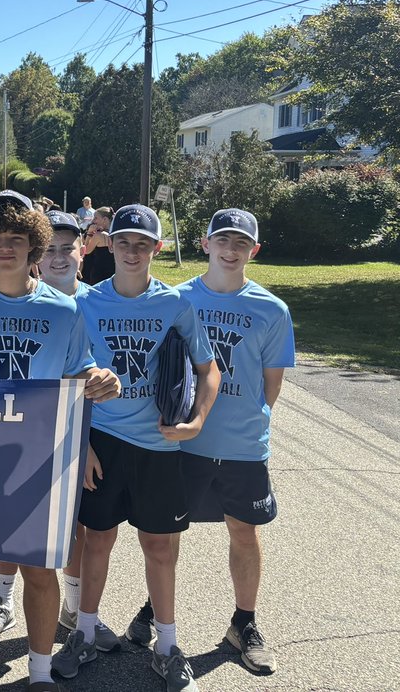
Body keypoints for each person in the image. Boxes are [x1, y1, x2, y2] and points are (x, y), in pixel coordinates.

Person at [0, 191, 119, 692]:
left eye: (16, 239)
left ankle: (38, 672)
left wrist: (102, 380)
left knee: (38, 570)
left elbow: (80, 373)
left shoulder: (65, 310)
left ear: (34, 247)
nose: (5, 248)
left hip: (44, 459)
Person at [53, 204, 220, 692]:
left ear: (157, 249)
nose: (131, 250)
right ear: (108, 244)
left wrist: (196, 422)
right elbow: (67, 378)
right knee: (97, 540)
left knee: (160, 548)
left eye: (142, 243)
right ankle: (84, 632)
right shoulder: (85, 303)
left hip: (159, 446)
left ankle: (167, 645)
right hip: (103, 442)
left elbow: (208, 370)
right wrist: (81, 443)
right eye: (123, 241)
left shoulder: (175, 305)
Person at [159, 208, 291, 674]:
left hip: (241, 446)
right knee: (167, 534)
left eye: (241, 243)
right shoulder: (176, 299)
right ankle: (157, 614)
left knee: (244, 530)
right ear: (205, 243)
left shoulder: (271, 309)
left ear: (253, 250)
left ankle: (244, 622)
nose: (230, 250)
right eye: (223, 240)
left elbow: (269, 387)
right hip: (184, 443)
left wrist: (241, 421)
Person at [35, 211, 92, 633]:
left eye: (67, 248)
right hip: (29, 432)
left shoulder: (95, 303)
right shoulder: (20, 299)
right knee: (11, 523)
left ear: (83, 250)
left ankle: (73, 610)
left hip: (85, 434)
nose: (59, 257)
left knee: (75, 529)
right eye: (50, 249)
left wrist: (87, 441)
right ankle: (1, 599)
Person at [80, 206, 115, 286]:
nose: (93, 221)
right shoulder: (114, 234)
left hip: (99, 273)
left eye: (96, 218)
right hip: (113, 271)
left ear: (105, 220)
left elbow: (85, 251)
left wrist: (89, 233)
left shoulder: (100, 235)